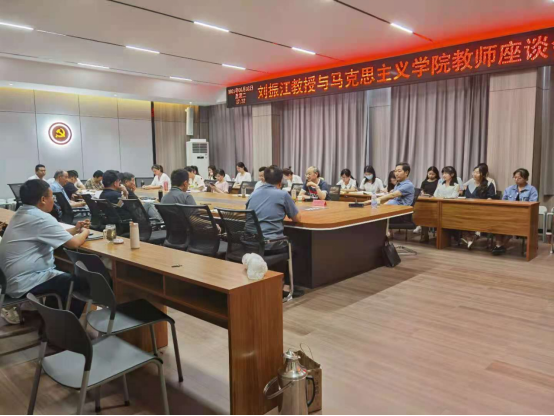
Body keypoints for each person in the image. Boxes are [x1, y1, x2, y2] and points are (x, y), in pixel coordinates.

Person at [0, 180, 89, 324]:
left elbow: (49, 233)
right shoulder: (41, 218)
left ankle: (49, 321)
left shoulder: (22, 213)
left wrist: (75, 229)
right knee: (78, 283)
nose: (53, 200)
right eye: (52, 197)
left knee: (64, 275)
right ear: (43, 199)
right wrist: (85, 232)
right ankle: (63, 327)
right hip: (23, 281)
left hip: (8, 280)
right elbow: (74, 244)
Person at [246, 166, 302, 251]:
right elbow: (297, 218)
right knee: (300, 244)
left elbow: (248, 213)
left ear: (264, 178)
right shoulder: (283, 195)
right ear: (281, 181)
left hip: (249, 243)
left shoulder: (253, 194)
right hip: (270, 244)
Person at [492, 168, 539, 256]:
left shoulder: (532, 190)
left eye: (519, 178)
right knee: (497, 222)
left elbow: (533, 205)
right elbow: (503, 202)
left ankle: (501, 246)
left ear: (526, 178)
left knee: (511, 224)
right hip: (508, 214)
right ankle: (498, 245)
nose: (516, 179)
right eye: (515, 177)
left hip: (524, 216)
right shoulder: (509, 189)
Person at [420, 167, 460, 243]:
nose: (444, 175)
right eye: (443, 173)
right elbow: (435, 195)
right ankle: (424, 235)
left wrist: (442, 197)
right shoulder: (441, 184)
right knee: (424, 214)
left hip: (449, 208)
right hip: (438, 207)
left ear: (452, 174)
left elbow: (454, 196)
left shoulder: (456, 185)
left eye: (446, 173)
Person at [462, 165, 497, 249]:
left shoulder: (489, 184)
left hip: (482, 210)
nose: (474, 174)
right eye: (474, 172)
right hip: (468, 209)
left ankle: (471, 238)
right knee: (460, 217)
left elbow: (490, 198)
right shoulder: (470, 183)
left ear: (483, 174)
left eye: (477, 172)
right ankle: (471, 237)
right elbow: (466, 197)